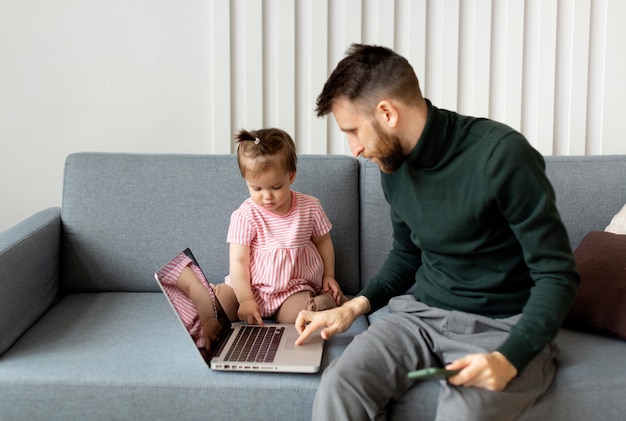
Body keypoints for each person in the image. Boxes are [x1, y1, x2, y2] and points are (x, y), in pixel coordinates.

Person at [295, 44, 580, 420]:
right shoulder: (392, 166)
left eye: (353, 131)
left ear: (387, 113)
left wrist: (509, 360)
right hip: (420, 317)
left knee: (465, 412)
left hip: (501, 325)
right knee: (340, 385)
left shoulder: (502, 155)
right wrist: (353, 307)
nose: (356, 148)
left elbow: (557, 276)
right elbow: (407, 254)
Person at [158, 128, 346, 353]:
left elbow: (323, 241)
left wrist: (329, 275)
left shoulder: (310, 207)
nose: (267, 196)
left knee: (299, 318)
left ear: (291, 176)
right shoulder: (245, 215)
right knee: (221, 306)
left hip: (292, 290)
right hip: (248, 287)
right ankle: (205, 301)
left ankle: (325, 302)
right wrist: (245, 299)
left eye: (276, 187)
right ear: (246, 180)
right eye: (256, 188)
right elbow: (238, 263)